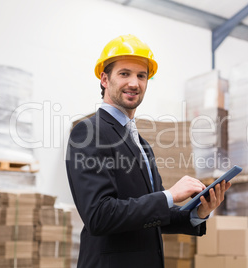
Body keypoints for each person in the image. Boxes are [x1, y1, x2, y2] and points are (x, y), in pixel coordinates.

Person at [66, 34, 231, 268]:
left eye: (141, 76)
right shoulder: (88, 133)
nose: (134, 83)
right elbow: (99, 216)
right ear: (104, 79)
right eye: (124, 74)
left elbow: (154, 216)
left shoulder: (141, 144)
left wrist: (198, 212)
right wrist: (170, 196)